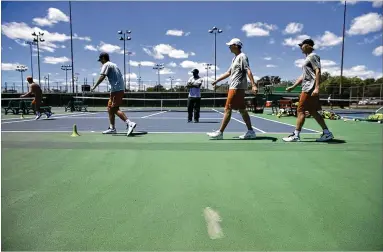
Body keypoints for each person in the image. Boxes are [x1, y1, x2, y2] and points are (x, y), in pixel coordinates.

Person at [283, 38, 334, 142]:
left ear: (308, 46)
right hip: (309, 87)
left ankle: (296, 135)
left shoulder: (312, 56)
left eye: (302, 45)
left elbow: (318, 71)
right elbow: (303, 76)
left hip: (309, 88)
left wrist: (317, 87)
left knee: (300, 110)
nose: (300, 47)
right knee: (313, 111)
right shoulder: (307, 59)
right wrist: (293, 87)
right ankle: (327, 133)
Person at [207, 38, 258, 140]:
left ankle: (220, 133)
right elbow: (229, 72)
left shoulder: (242, 56)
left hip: (236, 87)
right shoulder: (234, 58)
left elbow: (248, 70)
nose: (229, 47)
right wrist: (217, 80)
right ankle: (251, 131)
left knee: (227, 109)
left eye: (230, 45)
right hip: (235, 87)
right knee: (242, 110)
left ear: (235, 45)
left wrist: (253, 84)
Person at [91, 52, 136, 136]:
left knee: (114, 109)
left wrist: (94, 86)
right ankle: (112, 128)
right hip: (118, 89)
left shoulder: (106, 65)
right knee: (109, 108)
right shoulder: (114, 65)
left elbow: (102, 76)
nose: (100, 62)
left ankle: (130, 123)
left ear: (103, 58)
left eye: (100, 60)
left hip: (116, 89)